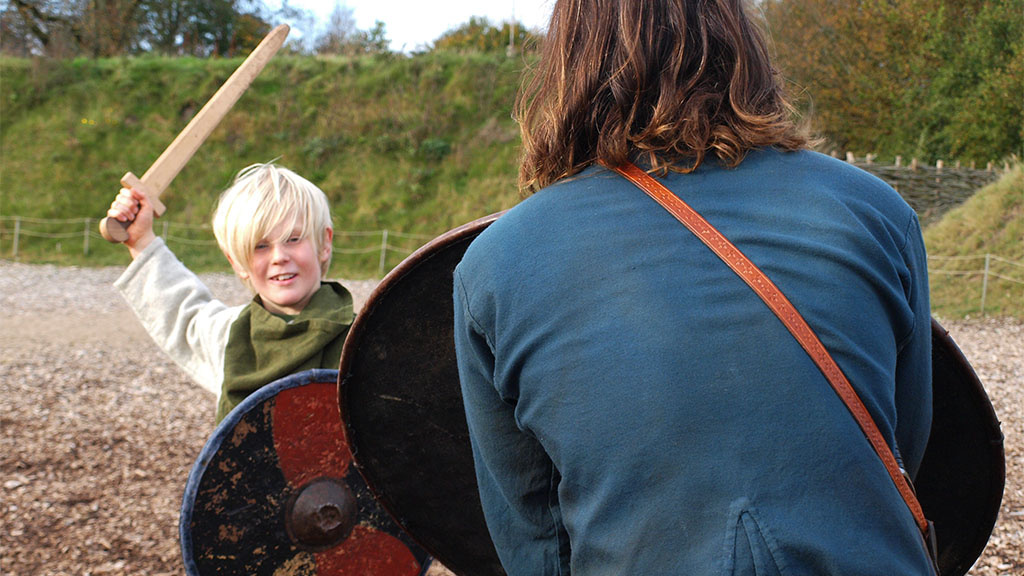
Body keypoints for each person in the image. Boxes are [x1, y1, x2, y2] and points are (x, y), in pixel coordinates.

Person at [452, 1, 934, 574]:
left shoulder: (494, 266)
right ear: (740, 42)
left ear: (568, 62)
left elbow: (534, 535)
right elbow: (905, 445)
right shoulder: (876, 213)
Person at [107, 162, 354, 423]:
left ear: (325, 242)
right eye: (260, 246)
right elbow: (184, 310)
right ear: (236, 262)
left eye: (293, 239)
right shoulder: (230, 337)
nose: (279, 257)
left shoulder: (364, 337)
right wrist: (141, 240)